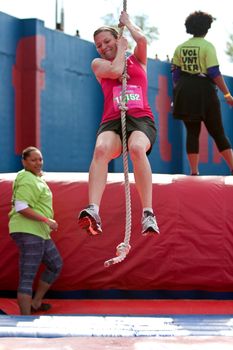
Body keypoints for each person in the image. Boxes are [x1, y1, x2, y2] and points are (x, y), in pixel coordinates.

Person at [78, 11, 160, 236]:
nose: (103, 47)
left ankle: (148, 213)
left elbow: (142, 40)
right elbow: (115, 71)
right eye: (98, 45)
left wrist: (128, 24)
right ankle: (93, 209)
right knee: (101, 149)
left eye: (107, 41)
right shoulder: (98, 64)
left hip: (141, 118)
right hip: (113, 119)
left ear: (117, 37)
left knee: (136, 148)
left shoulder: (138, 60)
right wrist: (122, 48)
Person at [171, 11, 233, 175]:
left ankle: (194, 172)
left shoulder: (180, 47)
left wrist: (177, 95)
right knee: (218, 132)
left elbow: (175, 74)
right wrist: (227, 95)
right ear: (207, 28)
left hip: (184, 89)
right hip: (204, 89)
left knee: (192, 132)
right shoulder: (207, 46)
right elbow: (214, 72)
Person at [8, 146, 63, 315]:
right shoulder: (26, 178)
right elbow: (21, 206)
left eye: (40, 159)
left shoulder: (36, 178)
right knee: (27, 275)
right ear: (24, 162)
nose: (38, 163)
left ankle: (36, 302)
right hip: (29, 231)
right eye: (33, 160)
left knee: (55, 264)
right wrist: (47, 220)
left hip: (40, 232)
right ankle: (25, 320)